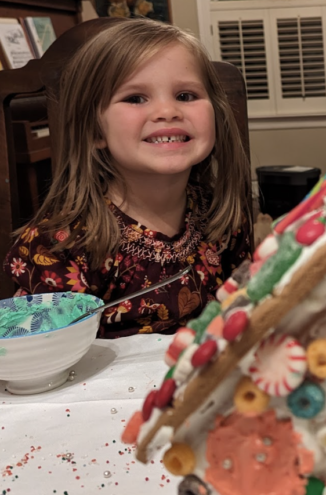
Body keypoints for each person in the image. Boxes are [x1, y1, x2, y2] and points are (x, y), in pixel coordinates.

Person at [3, 18, 252, 337]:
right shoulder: (59, 245)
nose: (168, 111)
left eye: (186, 96)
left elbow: (244, 313)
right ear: (94, 130)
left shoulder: (223, 218)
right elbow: (42, 358)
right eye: (135, 98)